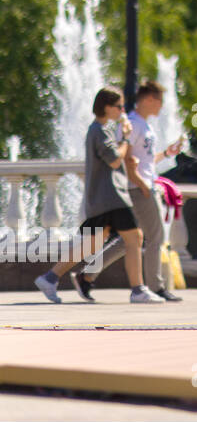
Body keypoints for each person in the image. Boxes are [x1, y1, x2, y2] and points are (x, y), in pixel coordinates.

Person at [33, 87, 164, 304]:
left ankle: (50, 277)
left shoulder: (100, 130)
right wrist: (127, 140)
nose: (122, 110)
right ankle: (138, 290)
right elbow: (114, 160)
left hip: (103, 198)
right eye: (119, 106)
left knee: (92, 244)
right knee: (135, 238)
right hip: (112, 197)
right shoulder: (100, 131)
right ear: (107, 107)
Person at [72, 80, 184, 302]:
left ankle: (87, 275)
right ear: (149, 99)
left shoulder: (144, 125)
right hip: (138, 188)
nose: (161, 107)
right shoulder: (134, 123)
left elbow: (145, 160)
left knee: (130, 240)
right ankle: (155, 286)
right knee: (155, 236)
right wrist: (141, 184)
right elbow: (125, 158)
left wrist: (167, 153)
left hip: (143, 185)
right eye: (160, 101)